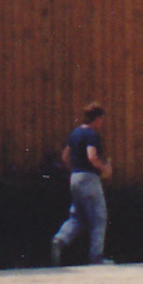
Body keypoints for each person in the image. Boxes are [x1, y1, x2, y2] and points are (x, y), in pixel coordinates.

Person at [52, 102, 111, 266]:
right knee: (99, 218)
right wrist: (104, 168)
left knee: (78, 216)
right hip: (89, 178)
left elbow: (65, 156)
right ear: (97, 118)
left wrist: (74, 170)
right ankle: (96, 257)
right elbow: (92, 156)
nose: (102, 122)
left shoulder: (75, 133)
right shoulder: (92, 134)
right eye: (101, 119)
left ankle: (60, 239)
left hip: (75, 177)